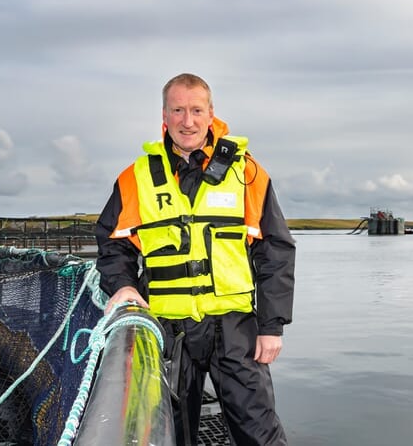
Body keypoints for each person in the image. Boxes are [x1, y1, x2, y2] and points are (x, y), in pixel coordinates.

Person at [95, 73, 295, 445]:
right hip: (169, 332)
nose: (188, 121)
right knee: (169, 432)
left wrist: (272, 325)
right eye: (178, 110)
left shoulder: (247, 173)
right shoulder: (135, 178)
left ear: (210, 113)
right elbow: (112, 242)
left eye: (196, 110)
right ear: (165, 116)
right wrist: (122, 285)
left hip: (235, 329)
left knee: (260, 431)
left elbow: (275, 250)